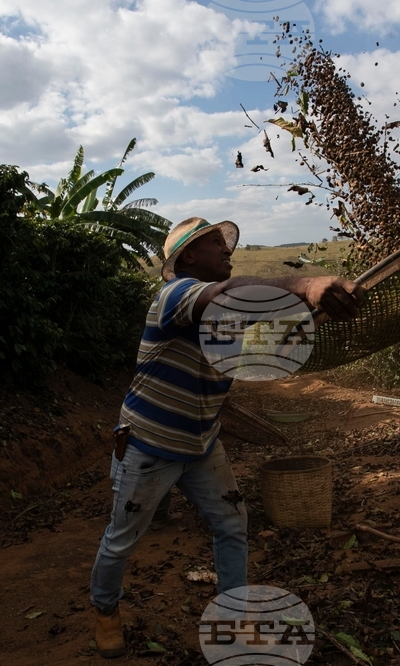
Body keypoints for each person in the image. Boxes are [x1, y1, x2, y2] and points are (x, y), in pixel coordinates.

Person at [90, 216, 365, 657]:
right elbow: (227, 293)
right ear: (189, 257)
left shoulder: (226, 315)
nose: (228, 251)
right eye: (216, 244)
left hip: (201, 443)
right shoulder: (176, 294)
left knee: (232, 525)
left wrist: (316, 311)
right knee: (123, 537)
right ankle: (105, 611)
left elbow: (265, 340)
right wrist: (307, 283)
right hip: (150, 444)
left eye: (226, 244)